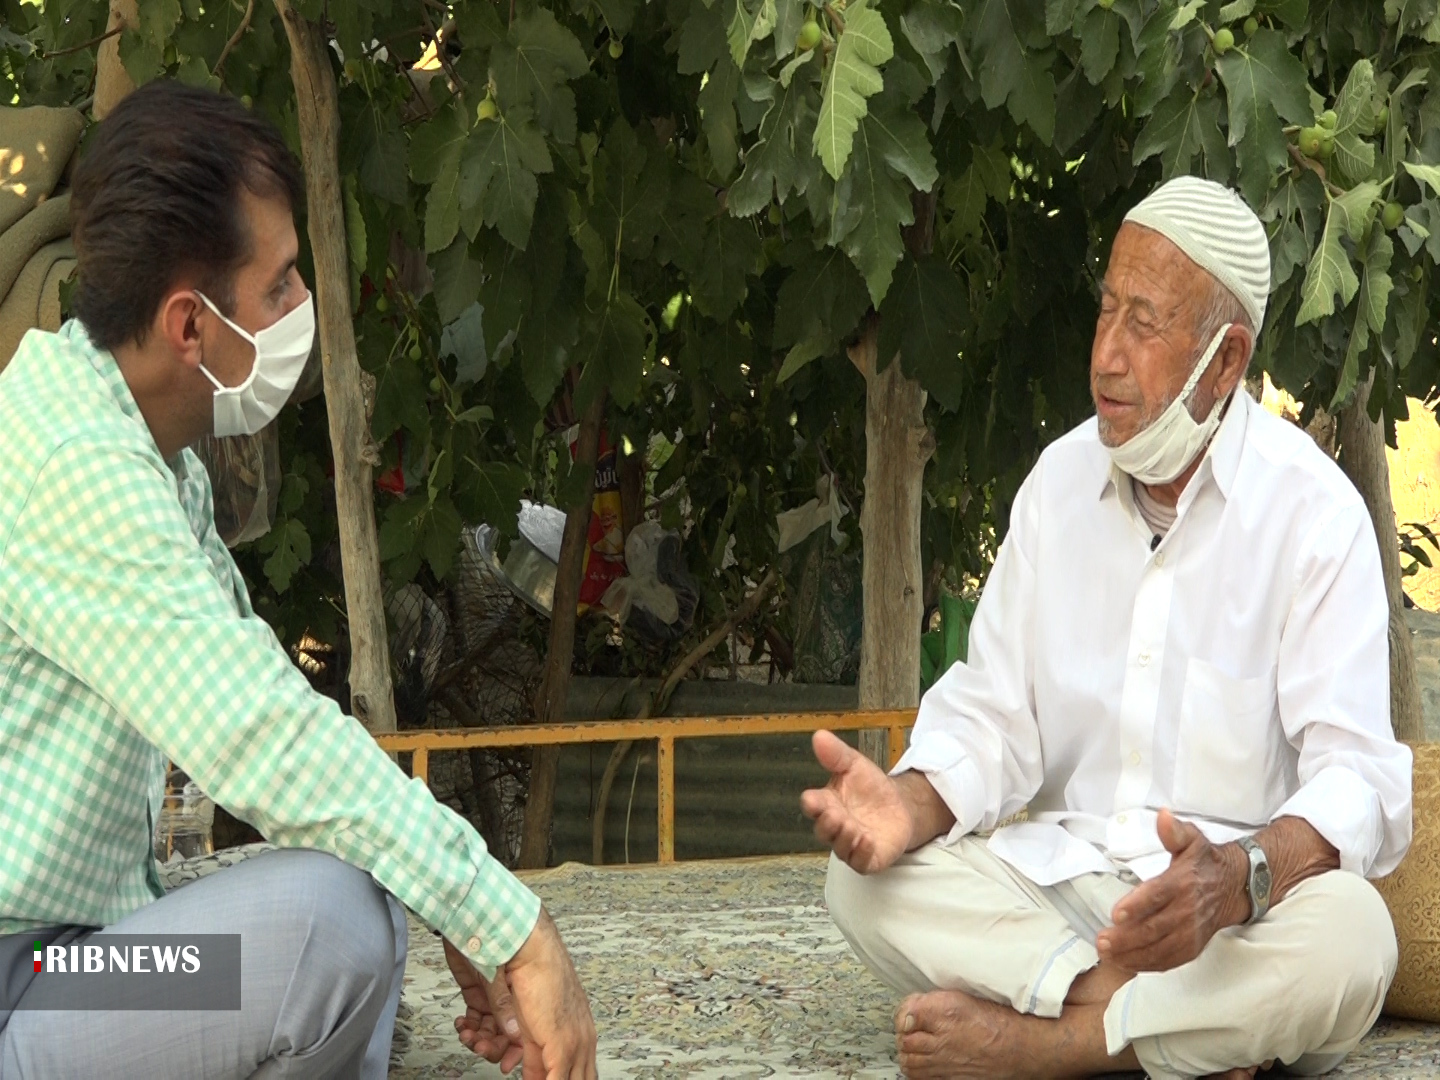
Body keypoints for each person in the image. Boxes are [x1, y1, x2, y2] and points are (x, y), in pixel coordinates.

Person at [0, 80, 596, 1079]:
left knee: (361, 883)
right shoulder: (74, 465)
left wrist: (454, 903)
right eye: (278, 286)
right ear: (190, 326)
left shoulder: (136, 443)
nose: (302, 307)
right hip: (26, 975)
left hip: (71, 948)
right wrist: (512, 926)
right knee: (327, 933)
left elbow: (274, 705)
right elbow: (255, 736)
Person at [803, 176, 1412, 1080]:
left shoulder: (1313, 515)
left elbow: (1357, 781)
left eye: (1145, 322)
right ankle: (1153, 1025)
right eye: (1105, 313)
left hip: (1224, 920)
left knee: (1356, 938)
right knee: (858, 882)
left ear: (1226, 360)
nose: (1106, 357)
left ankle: (1056, 1042)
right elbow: (993, 716)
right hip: (1061, 896)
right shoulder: (1057, 484)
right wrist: (911, 803)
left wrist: (1236, 878)